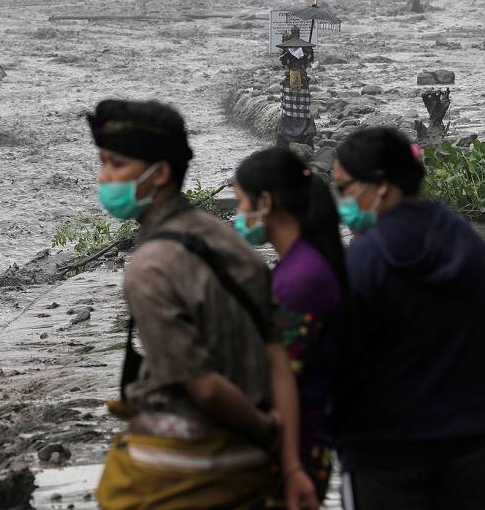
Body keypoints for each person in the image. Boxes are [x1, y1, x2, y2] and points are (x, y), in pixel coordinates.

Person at [89, 98, 317, 510]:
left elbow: (205, 387)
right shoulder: (224, 237)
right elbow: (276, 356)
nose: (104, 177)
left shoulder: (149, 268)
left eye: (116, 165)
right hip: (251, 467)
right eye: (103, 162)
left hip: (179, 473)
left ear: (158, 175)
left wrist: (267, 430)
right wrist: (290, 461)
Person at [332, 127, 485, 509]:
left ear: (380, 185)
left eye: (345, 188)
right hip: (472, 445)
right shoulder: (468, 243)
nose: (342, 202)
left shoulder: (363, 261)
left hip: (385, 454)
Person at [234, 148, 347, 506]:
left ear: (264, 202)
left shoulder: (301, 279)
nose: (238, 215)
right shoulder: (299, 266)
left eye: (240, 203)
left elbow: (279, 372)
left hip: (294, 445)